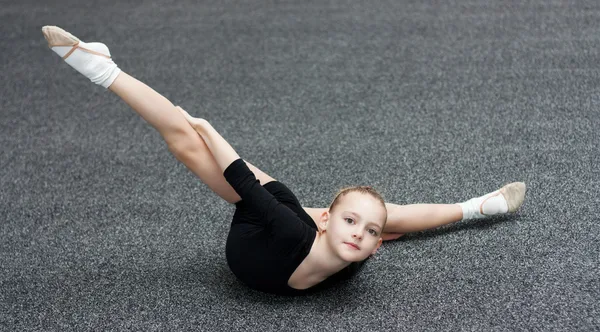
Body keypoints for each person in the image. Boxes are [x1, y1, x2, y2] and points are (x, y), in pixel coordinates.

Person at [41, 26, 527, 296]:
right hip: (268, 212)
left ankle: (475, 208)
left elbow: (374, 226)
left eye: (368, 234)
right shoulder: (296, 224)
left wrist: (363, 226)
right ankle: (100, 66)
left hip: (266, 244)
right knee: (187, 141)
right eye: (349, 223)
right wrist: (210, 129)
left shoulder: (350, 250)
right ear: (324, 221)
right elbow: (242, 181)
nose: (360, 234)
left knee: (386, 212)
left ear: (376, 249)